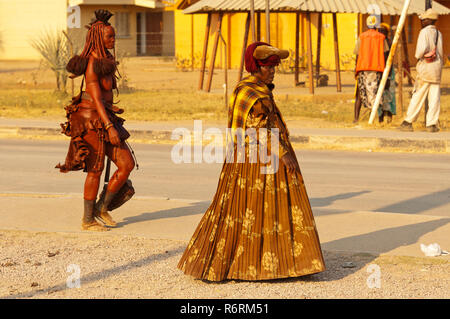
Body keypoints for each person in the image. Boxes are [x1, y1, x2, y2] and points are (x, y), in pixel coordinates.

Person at [177, 42, 325, 281]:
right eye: (268, 66)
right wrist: (283, 153)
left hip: (261, 154)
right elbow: (258, 128)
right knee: (249, 209)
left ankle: (280, 263)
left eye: (274, 66)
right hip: (258, 157)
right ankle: (240, 264)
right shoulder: (250, 92)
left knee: (267, 211)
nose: (273, 70)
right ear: (256, 66)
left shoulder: (257, 88)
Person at [56, 9, 135, 231]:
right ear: (98, 38)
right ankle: (88, 219)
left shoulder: (107, 59)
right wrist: (110, 126)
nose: (113, 39)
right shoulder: (92, 63)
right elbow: (97, 99)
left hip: (105, 117)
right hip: (91, 119)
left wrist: (110, 122)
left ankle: (102, 207)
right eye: (110, 36)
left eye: (114, 36)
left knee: (126, 164)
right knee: (96, 169)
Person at [399, 9, 443, 132]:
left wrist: (418, 57)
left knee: (418, 94)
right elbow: (440, 52)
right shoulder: (439, 33)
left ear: (429, 20)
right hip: (436, 67)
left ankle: (408, 121)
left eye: (423, 19)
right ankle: (432, 124)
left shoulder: (424, 32)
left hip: (426, 67)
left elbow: (419, 52)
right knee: (434, 97)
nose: (422, 21)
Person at [353, 15, 390, 122]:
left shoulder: (361, 37)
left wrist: (356, 69)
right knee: (378, 93)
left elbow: (357, 54)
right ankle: (380, 120)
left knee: (360, 93)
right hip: (377, 69)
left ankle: (356, 119)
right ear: (376, 25)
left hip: (363, 68)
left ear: (366, 25)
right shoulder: (382, 37)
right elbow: (385, 54)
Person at [378, 23, 396, 123]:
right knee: (379, 95)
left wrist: (388, 75)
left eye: (383, 31)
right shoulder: (377, 42)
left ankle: (389, 116)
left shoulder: (389, 42)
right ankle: (380, 117)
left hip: (388, 69)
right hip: (378, 69)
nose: (381, 33)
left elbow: (389, 59)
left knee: (389, 94)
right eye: (379, 31)